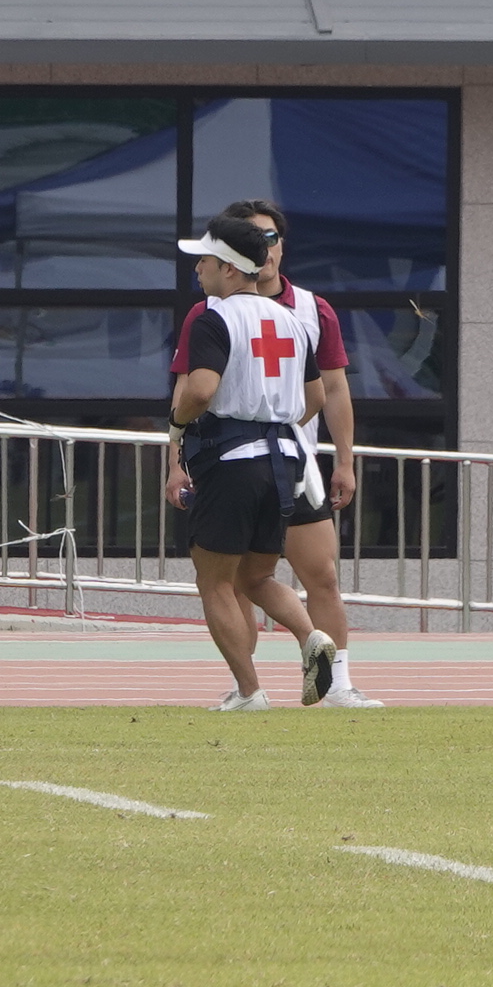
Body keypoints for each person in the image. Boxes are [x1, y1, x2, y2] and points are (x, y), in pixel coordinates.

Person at [163, 199, 379, 708]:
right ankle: (313, 640)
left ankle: (250, 691)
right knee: (256, 575)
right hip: (287, 460)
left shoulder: (213, 319)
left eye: (204, 260)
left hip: (231, 459)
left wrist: (177, 431)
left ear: (229, 267)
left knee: (215, 581)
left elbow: (197, 389)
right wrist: (278, 425)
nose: (197, 268)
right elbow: (316, 399)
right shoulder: (293, 320)